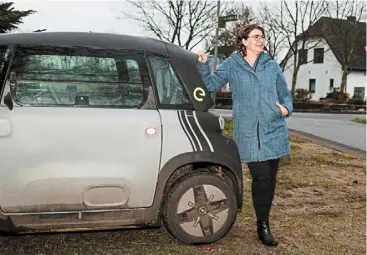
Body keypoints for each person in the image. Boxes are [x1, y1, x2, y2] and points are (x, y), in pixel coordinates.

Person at [195, 24, 293, 246]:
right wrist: (203, 66)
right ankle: (263, 226)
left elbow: (285, 94)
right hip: (248, 132)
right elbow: (211, 83)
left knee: (270, 179)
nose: (261, 40)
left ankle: (263, 220)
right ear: (244, 41)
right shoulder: (232, 65)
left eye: (263, 37)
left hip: (274, 129)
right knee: (261, 177)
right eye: (256, 37)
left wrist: (285, 109)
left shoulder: (272, 66)